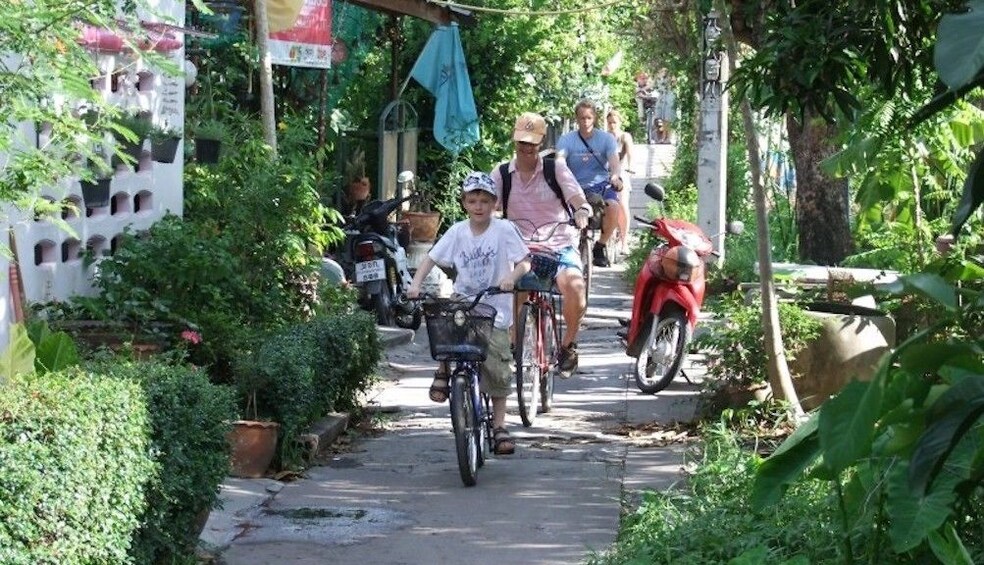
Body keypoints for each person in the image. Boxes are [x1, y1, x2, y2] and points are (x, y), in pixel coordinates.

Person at [406, 171, 531, 456]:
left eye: (484, 201)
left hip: (495, 306)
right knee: (446, 329)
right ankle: (443, 370)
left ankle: (499, 426)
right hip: (465, 300)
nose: (478, 206)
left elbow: (525, 262)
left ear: (494, 204)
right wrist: (415, 284)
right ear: (464, 203)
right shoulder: (457, 231)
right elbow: (432, 258)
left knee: (497, 366)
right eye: (473, 200)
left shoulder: (504, 230)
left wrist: (511, 276)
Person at [490, 111, 593, 378]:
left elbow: (578, 199)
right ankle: (513, 342)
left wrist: (582, 211)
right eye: (521, 142)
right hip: (521, 248)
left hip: (559, 244)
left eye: (531, 143)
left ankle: (568, 345)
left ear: (541, 142)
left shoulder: (555, 168)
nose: (526, 148)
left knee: (575, 287)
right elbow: (487, 204)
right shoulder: (502, 173)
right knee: (509, 287)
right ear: (514, 141)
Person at [556, 99, 625, 268]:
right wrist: (560, 172)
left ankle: (600, 246)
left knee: (614, 206)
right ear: (576, 119)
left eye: (588, 118)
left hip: (601, 185)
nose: (585, 122)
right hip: (575, 187)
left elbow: (614, 163)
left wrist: (615, 176)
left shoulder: (606, 139)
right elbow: (560, 161)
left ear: (594, 118)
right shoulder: (567, 140)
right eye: (581, 118)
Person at [605, 108, 633, 255]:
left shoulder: (624, 137)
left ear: (619, 122)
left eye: (614, 122)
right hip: (605, 173)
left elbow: (630, 154)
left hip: (620, 173)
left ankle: (624, 242)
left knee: (623, 205)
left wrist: (630, 167)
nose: (612, 125)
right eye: (609, 123)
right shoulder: (603, 137)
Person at [653, 67, 676, 144]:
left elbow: (674, 85)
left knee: (668, 118)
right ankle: (663, 136)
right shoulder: (658, 77)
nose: (664, 72)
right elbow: (654, 86)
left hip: (669, 96)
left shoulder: (671, 77)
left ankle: (668, 137)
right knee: (661, 118)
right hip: (661, 97)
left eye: (665, 70)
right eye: (662, 70)